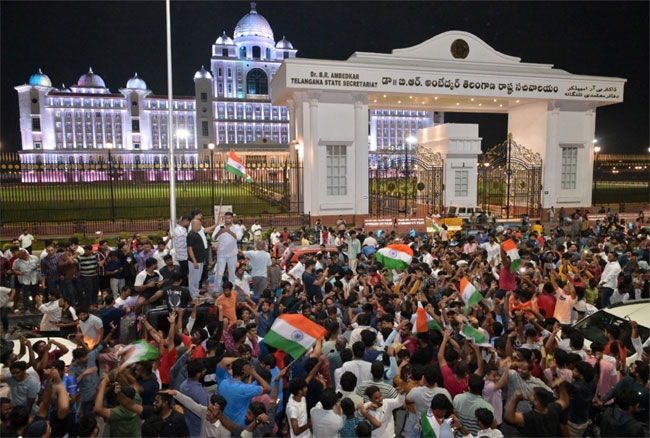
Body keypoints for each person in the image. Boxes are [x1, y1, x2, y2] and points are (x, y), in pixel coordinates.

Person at [216, 357, 271, 426]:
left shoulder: (223, 382)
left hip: (223, 423)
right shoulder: (244, 389)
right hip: (239, 426)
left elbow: (224, 360)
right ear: (244, 372)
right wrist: (254, 373)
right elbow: (267, 388)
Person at [213, 211, 243, 294]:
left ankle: (232, 289)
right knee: (219, 273)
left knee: (232, 273)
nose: (227, 220)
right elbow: (214, 238)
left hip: (232, 254)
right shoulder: (219, 227)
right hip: (221, 254)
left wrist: (229, 231)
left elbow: (239, 237)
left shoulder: (237, 227)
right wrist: (220, 232)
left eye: (229, 218)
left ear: (232, 219)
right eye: (226, 218)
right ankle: (216, 289)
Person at [187, 219, 209, 299]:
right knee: (194, 279)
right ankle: (193, 295)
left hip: (200, 260)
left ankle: (196, 293)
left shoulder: (197, 234)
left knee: (197, 278)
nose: (200, 227)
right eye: (199, 225)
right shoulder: (191, 235)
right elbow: (190, 249)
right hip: (195, 261)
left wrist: (202, 259)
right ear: (195, 225)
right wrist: (194, 261)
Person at [174, 215, 191, 282]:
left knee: (185, 272)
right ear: (185, 221)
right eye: (188, 222)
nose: (189, 224)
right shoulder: (180, 231)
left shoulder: (182, 229)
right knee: (184, 272)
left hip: (183, 254)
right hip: (183, 255)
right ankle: (183, 286)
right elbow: (182, 244)